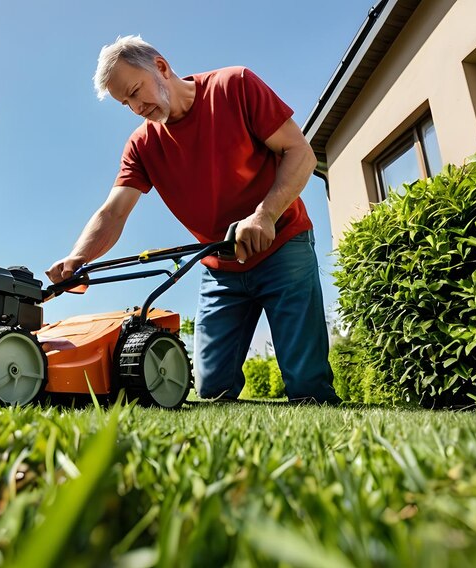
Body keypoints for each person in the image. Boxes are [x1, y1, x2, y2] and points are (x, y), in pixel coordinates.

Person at [46, 35, 340, 405]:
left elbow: (300, 153)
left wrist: (264, 216)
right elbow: (113, 212)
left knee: (308, 387)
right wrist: (78, 257)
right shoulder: (142, 145)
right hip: (220, 265)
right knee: (212, 389)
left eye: (136, 91)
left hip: (283, 247)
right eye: (126, 103)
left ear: (162, 67)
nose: (136, 107)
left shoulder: (234, 86)